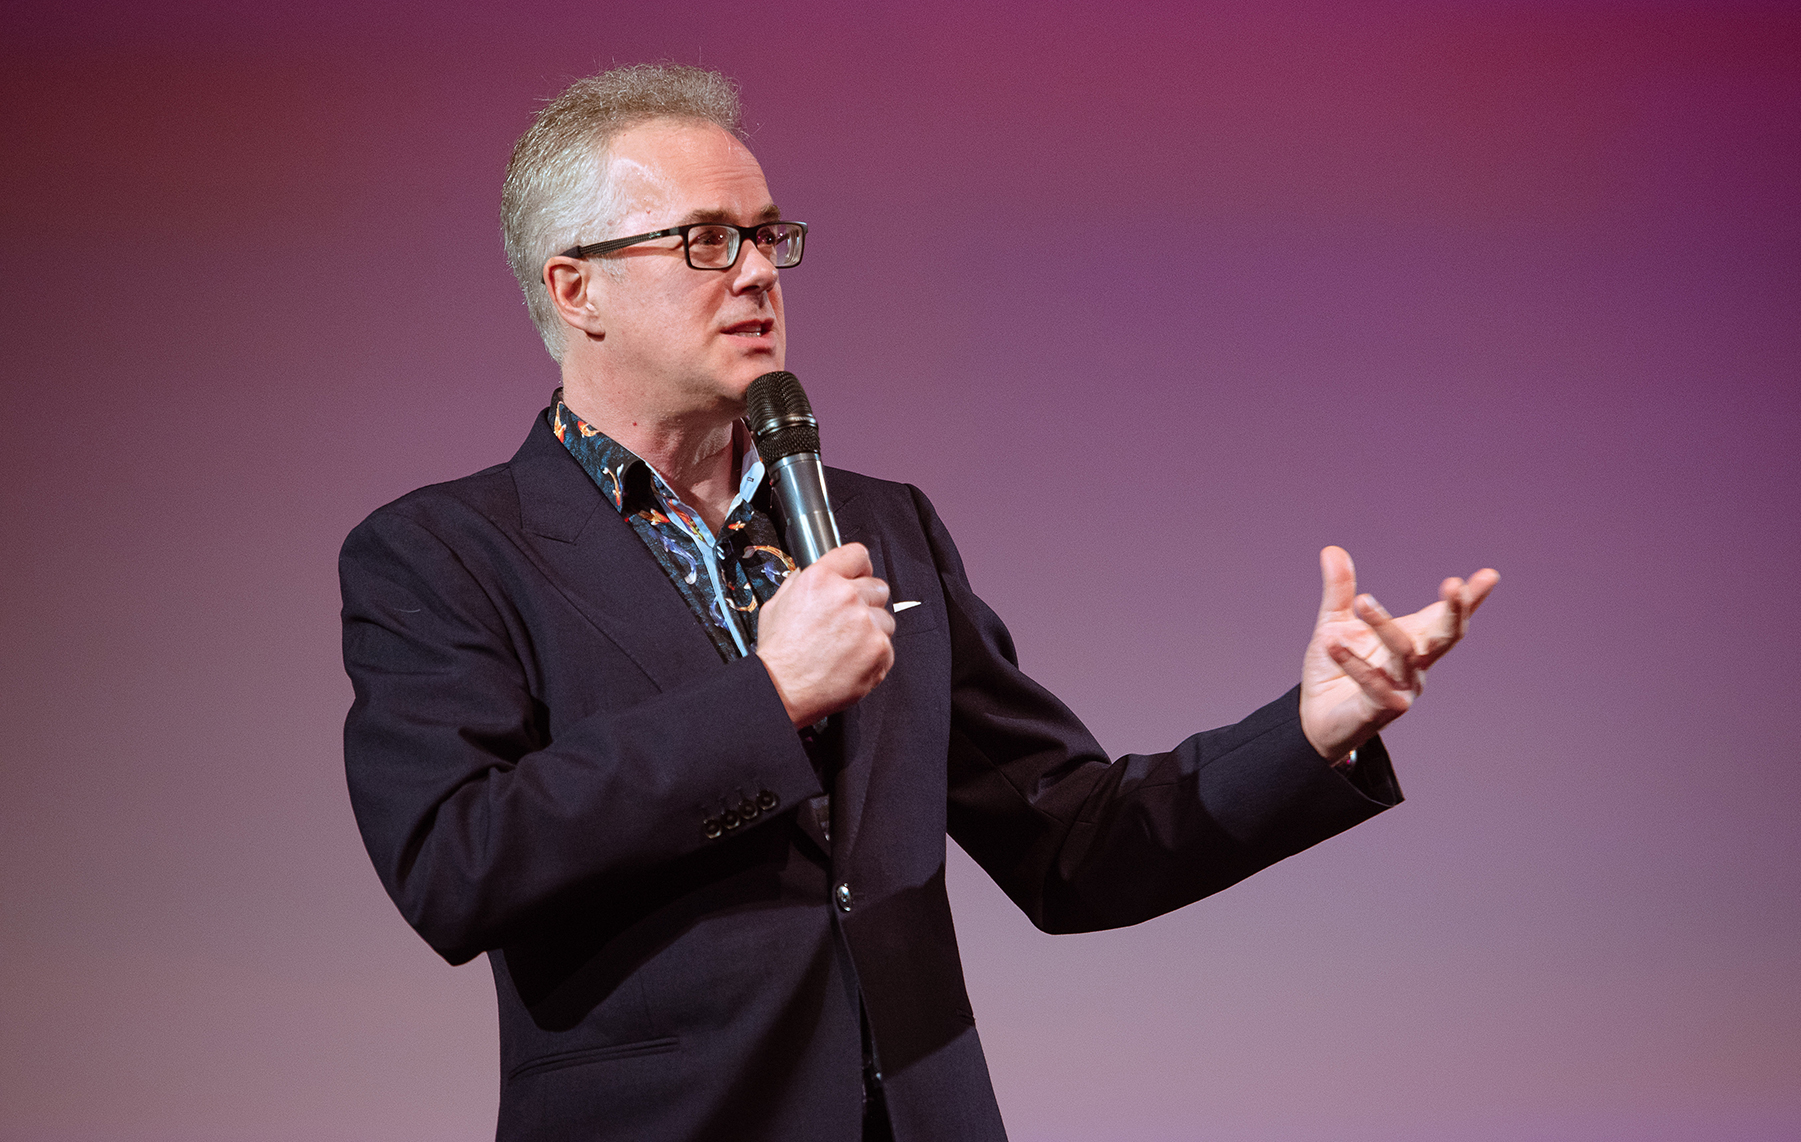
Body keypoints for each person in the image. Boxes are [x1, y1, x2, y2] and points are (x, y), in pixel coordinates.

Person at [339, 63, 1497, 1142]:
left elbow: (1074, 845)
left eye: (764, 235)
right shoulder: (445, 552)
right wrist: (769, 698)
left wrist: (1310, 731)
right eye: (702, 240)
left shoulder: (878, 524)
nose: (755, 271)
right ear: (574, 285)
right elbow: (457, 860)